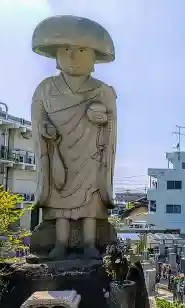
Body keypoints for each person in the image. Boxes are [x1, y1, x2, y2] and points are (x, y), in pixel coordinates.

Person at [31, 16, 117, 259]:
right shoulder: (46, 88)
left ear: (94, 57)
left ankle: (90, 243)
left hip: (90, 153)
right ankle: (60, 244)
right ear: (57, 56)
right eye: (66, 50)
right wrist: (44, 129)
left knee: (90, 202)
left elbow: (111, 124)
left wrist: (102, 119)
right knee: (60, 203)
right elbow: (37, 119)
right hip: (59, 151)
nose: (73, 56)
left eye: (81, 50)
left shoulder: (102, 90)